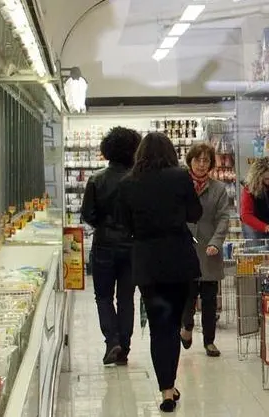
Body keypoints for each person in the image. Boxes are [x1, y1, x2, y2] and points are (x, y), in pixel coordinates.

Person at [116, 132, 202, 413]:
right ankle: (169, 385)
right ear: (170, 153)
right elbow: (194, 214)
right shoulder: (179, 177)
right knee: (174, 323)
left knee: (159, 326)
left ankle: (166, 388)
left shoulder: (128, 183)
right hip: (178, 258)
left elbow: (123, 225)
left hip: (147, 263)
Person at [80, 126, 141, 366]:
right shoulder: (138, 180)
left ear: (107, 150)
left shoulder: (96, 179)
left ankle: (112, 341)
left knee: (103, 296)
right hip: (132, 246)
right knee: (126, 298)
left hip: (104, 245)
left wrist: (103, 225)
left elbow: (88, 214)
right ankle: (124, 347)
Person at [179, 143, 230, 357]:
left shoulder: (218, 188)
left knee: (209, 300)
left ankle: (209, 341)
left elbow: (223, 218)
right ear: (190, 161)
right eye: (198, 160)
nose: (201, 164)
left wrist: (216, 242)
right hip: (186, 249)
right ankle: (187, 327)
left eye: (206, 161)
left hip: (210, 250)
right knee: (187, 297)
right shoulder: (180, 185)